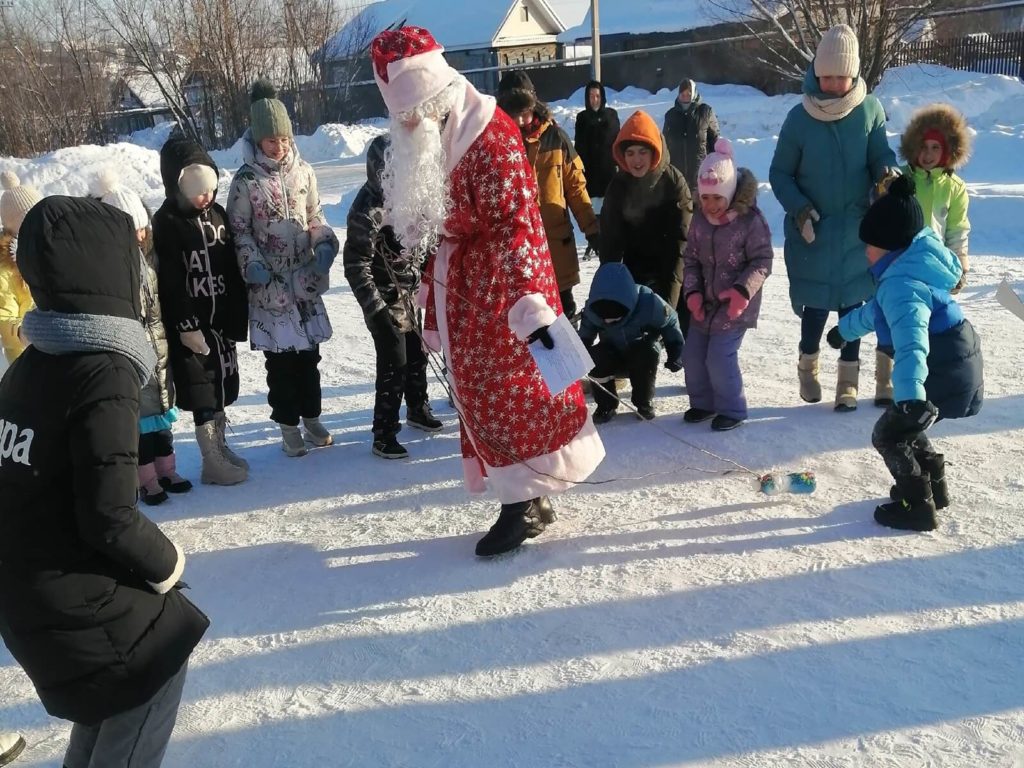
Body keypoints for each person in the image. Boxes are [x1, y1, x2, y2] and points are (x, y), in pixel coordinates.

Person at [369, 25, 604, 557]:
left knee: (512, 396)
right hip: (467, 289)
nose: (405, 124)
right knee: (479, 396)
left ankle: (519, 506)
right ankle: (529, 497)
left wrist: (530, 304)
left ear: (432, 97)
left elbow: (519, 227)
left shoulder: (490, 137)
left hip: (504, 295)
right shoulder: (443, 132)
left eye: (411, 114)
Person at [0, 196, 209, 768]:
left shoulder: (30, 363)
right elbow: (109, 516)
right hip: (66, 599)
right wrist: (168, 565)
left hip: (30, 594)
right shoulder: (104, 371)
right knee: (157, 655)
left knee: (111, 698)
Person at [827, 175, 983, 531]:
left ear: (891, 246)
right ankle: (935, 489)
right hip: (956, 363)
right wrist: (843, 330)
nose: (865, 251)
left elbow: (912, 342)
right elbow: (876, 312)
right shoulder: (911, 266)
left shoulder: (901, 285)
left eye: (871, 245)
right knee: (909, 427)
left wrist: (911, 396)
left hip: (941, 368)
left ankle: (917, 505)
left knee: (889, 434)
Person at [769, 24, 898, 412]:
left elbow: (880, 156)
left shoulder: (870, 110)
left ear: (854, 74)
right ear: (816, 72)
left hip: (859, 230)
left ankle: (848, 382)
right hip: (814, 230)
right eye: (825, 76)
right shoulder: (800, 117)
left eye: (840, 77)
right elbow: (779, 173)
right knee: (815, 306)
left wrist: (888, 177)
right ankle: (807, 365)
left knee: (854, 309)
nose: (832, 84)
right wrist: (800, 207)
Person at [228, 80, 340, 458]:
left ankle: (311, 416)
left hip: (303, 278)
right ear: (259, 140)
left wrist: (322, 242)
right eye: (272, 140)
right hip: (270, 284)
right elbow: (239, 231)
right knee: (281, 362)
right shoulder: (245, 180)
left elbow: (315, 215)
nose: (280, 147)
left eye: (285, 139)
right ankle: (288, 424)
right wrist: (252, 264)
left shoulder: (304, 171)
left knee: (309, 358)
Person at [154, 136, 249, 485]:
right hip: (192, 326)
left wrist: (238, 315)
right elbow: (171, 278)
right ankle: (210, 460)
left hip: (220, 320)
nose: (205, 197)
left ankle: (221, 448)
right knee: (202, 388)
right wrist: (185, 323)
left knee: (222, 384)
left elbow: (231, 266)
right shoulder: (167, 222)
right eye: (197, 191)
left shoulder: (218, 215)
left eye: (209, 188)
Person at [92, 170, 191, 504]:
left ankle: (167, 469)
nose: (140, 234)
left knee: (162, 419)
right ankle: (145, 479)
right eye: (131, 228)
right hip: (130, 350)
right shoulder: (108, 265)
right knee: (139, 426)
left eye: (141, 226)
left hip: (157, 345)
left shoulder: (149, 258)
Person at [343, 133, 444, 459]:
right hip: (383, 298)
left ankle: (417, 407)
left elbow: (427, 243)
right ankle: (383, 432)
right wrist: (376, 309)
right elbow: (355, 264)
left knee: (418, 353)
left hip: (411, 293)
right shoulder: (367, 209)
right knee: (394, 361)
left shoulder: (412, 200)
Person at [682, 138, 773, 431]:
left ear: (731, 192)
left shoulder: (750, 222)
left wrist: (742, 292)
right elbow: (691, 259)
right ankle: (703, 403)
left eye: (717, 198)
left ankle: (732, 409)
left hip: (735, 305)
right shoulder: (699, 220)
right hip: (705, 302)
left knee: (719, 356)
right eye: (705, 198)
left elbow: (762, 261)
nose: (710, 205)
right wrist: (692, 293)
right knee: (693, 355)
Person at [496, 70, 599, 320]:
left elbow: (575, 188)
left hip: (555, 246)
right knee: (524, 320)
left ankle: (569, 359)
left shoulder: (556, 138)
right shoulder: (497, 143)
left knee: (563, 312)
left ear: (534, 106)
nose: (519, 121)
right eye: (513, 115)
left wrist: (592, 229)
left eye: (524, 113)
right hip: (517, 251)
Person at [600, 110, 693, 313]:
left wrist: (668, 308)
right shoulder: (619, 185)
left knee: (671, 335)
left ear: (654, 151)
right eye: (630, 153)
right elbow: (610, 243)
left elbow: (679, 247)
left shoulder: (674, 183)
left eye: (643, 152)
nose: (637, 160)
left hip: (672, 275)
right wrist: (609, 292)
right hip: (634, 273)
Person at [578, 262, 684, 423]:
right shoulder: (592, 309)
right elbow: (585, 335)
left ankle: (643, 403)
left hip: (641, 355)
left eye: (615, 318)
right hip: (612, 354)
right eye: (604, 319)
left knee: (646, 351)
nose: (608, 320)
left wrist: (675, 350)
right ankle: (606, 405)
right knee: (595, 356)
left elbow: (670, 322)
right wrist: (578, 355)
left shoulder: (649, 302)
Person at [899, 103, 971, 293]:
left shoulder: (954, 187)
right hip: (900, 267)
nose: (928, 154)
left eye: (935, 147)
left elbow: (957, 231)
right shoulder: (900, 179)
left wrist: (960, 268)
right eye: (923, 146)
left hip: (937, 267)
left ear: (947, 150)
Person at [0, 172, 41, 369]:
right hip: (23, 362)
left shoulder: (47, 252)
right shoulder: (5, 271)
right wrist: (23, 332)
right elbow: (4, 319)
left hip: (53, 351)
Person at [663, 78, 720, 195]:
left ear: (694, 93)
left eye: (688, 94)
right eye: (682, 94)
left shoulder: (705, 112)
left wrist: (714, 166)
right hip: (677, 174)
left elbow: (715, 141)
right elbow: (664, 144)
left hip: (700, 172)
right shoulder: (670, 115)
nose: (685, 97)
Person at [574, 79, 620, 199]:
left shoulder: (611, 116)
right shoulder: (582, 118)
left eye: (598, 96)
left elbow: (618, 143)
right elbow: (578, 148)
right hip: (590, 178)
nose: (595, 100)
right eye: (591, 96)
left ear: (602, 97)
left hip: (609, 177)